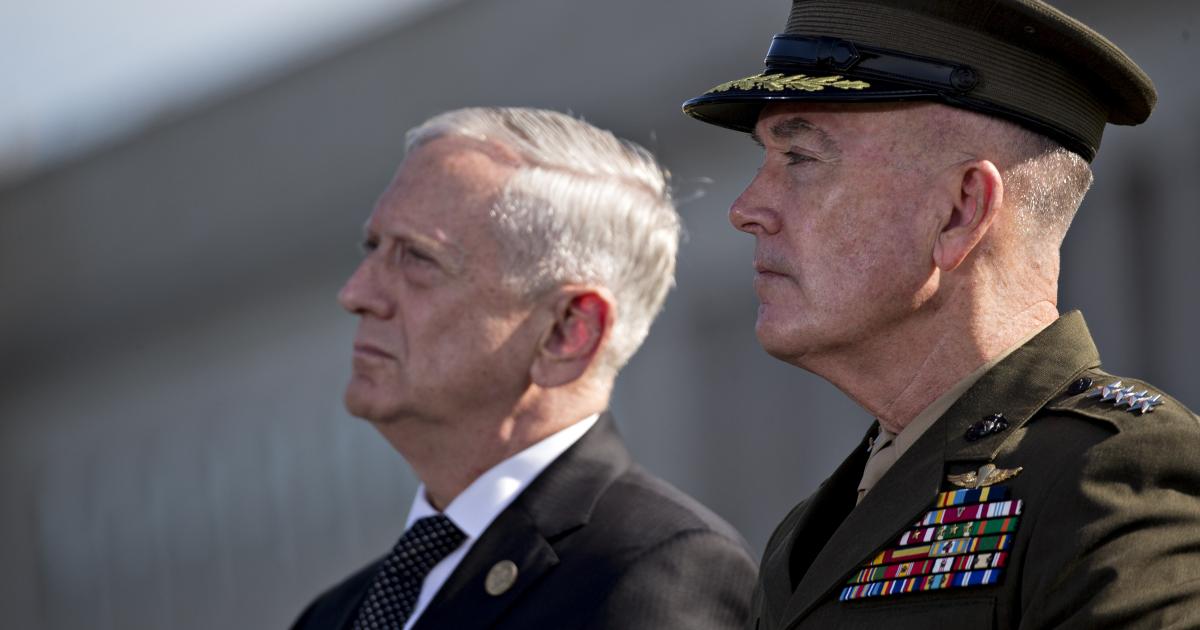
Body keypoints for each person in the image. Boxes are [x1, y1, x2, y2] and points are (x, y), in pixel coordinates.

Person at [682, 1, 1200, 628]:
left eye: (801, 159)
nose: (745, 209)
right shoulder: (815, 526)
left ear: (960, 210)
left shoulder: (1110, 475)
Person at [291, 107, 756, 630]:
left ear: (567, 331)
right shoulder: (334, 615)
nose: (356, 294)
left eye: (418, 258)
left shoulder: (656, 569)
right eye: (374, 247)